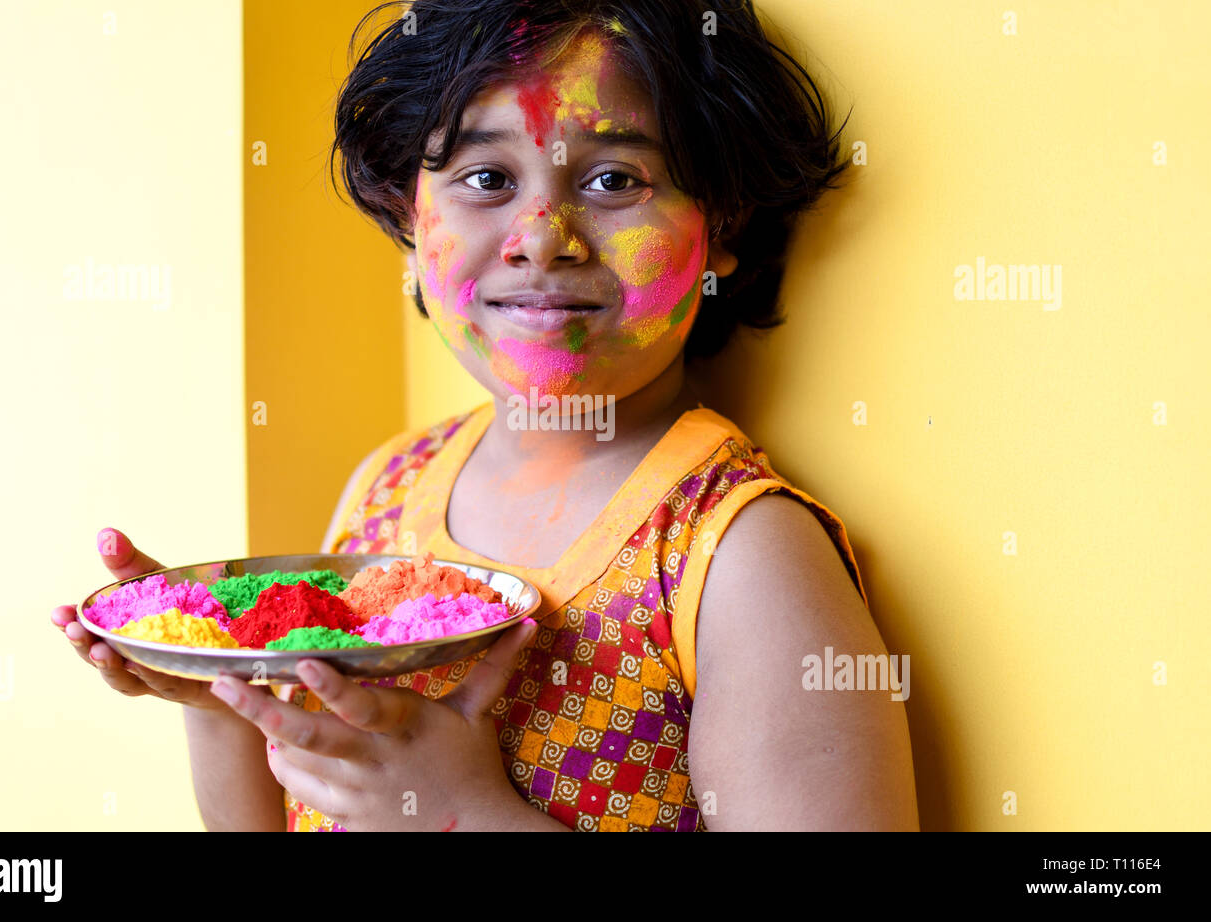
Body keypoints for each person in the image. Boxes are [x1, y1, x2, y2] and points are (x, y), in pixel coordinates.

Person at [54, 0, 919, 831]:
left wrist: (463, 816)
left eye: (615, 178)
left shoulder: (740, 557)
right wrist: (217, 680)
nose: (541, 235)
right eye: (487, 178)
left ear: (721, 221)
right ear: (409, 214)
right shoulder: (387, 488)